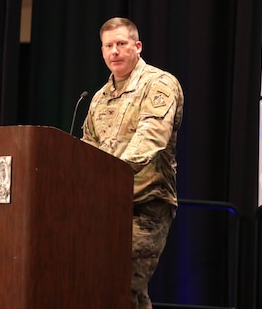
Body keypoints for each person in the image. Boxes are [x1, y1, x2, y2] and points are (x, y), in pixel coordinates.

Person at [81, 17, 184, 309]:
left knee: (121, 283)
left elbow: (151, 138)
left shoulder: (159, 84)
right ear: (102, 52)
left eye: (121, 44)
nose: (114, 51)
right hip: (106, 205)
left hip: (147, 203)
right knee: (123, 292)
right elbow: (88, 148)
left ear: (137, 46)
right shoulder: (99, 98)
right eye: (108, 46)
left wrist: (109, 175)